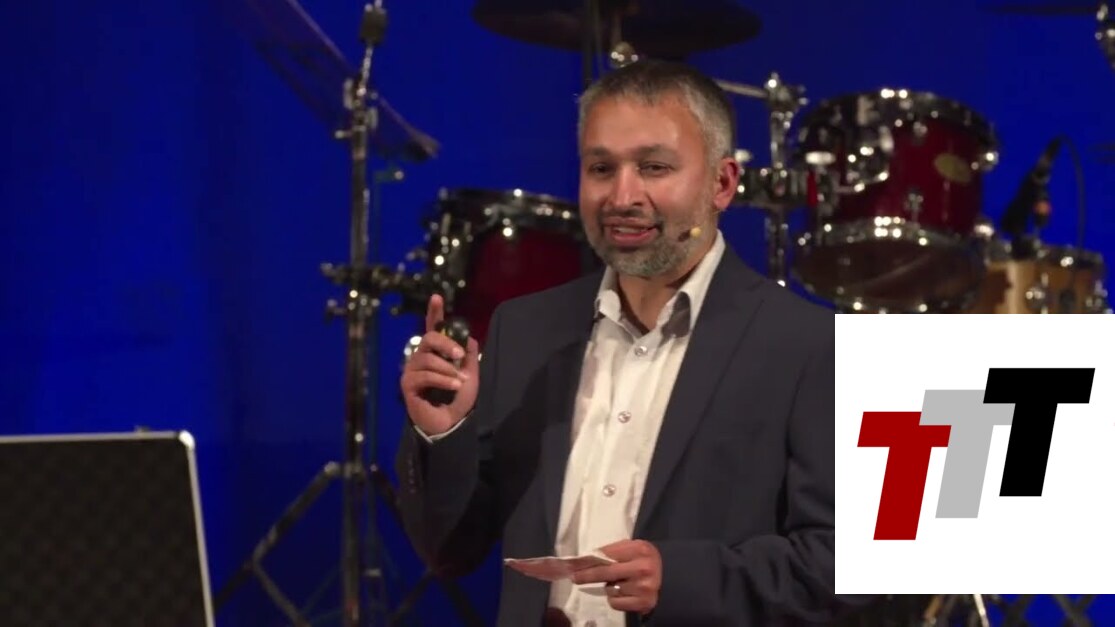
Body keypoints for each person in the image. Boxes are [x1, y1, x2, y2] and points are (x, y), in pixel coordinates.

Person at [397, 59, 838, 626]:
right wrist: (442, 437)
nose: (622, 195)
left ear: (722, 184)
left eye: (654, 167)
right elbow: (451, 554)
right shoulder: (524, 328)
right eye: (601, 168)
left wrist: (681, 581)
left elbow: (855, 576)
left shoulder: (817, 344)